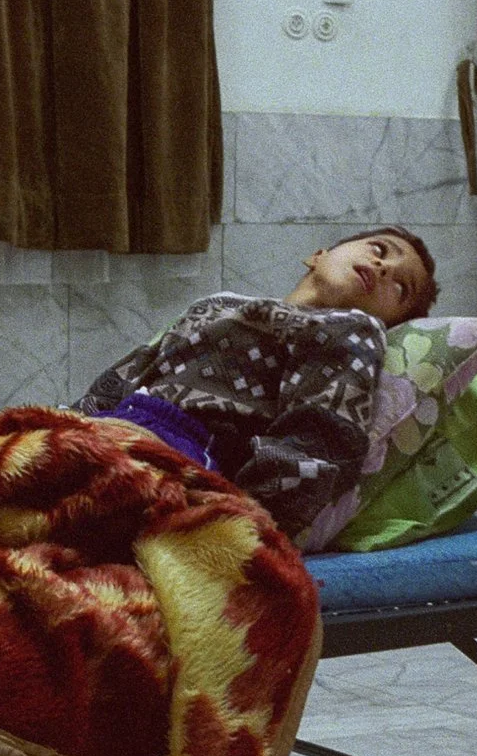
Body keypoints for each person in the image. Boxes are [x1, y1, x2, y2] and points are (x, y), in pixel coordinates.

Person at [73, 227, 438, 539]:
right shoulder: (216, 304)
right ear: (318, 255)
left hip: (187, 452)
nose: (384, 267)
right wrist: (66, 422)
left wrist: (245, 528)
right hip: (117, 425)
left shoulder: (352, 330)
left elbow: (320, 438)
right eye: (380, 250)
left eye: (401, 288)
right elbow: (124, 376)